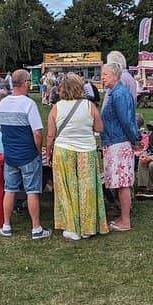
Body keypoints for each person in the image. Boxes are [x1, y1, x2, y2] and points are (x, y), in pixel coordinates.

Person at [44, 72, 108, 240]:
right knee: (87, 188)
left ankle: (71, 227)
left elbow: (50, 135)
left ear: (62, 89)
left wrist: (48, 153)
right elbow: (100, 128)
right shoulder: (89, 105)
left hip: (63, 150)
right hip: (87, 150)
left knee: (65, 188)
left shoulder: (56, 108)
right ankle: (87, 227)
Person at [0, 69, 51, 240]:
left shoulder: (2, 103)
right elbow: (37, 133)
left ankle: (6, 225)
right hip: (28, 153)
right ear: (26, 82)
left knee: (9, 190)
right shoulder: (29, 104)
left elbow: (1, 128)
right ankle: (36, 228)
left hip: (10, 154)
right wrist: (38, 149)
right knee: (32, 191)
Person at [99, 62, 141, 232]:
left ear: (116, 75)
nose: (102, 78)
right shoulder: (115, 92)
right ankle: (122, 216)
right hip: (113, 141)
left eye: (105, 75)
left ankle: (125, 220)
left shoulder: (119, 94)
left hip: (119, 142)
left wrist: (136, 139)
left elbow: (127, 120)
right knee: (119, 182)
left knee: (123, 182)